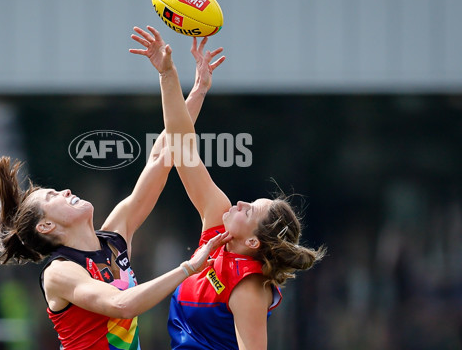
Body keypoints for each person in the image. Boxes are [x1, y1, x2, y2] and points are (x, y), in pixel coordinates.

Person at [0, 41, 231, 350]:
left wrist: (181, 82)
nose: (65, 191)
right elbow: (122, 305)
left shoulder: (114, 238)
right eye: (52, 197)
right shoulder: (59, 273)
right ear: (46, 227)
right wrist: (189, 268)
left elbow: (162, 157)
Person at [130, 25, 326, 350]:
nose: (239, 202)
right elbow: (180, 147)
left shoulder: (249, 286)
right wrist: (185, 82)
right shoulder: (217, 226)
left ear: (252, 239)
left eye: (249, 210)